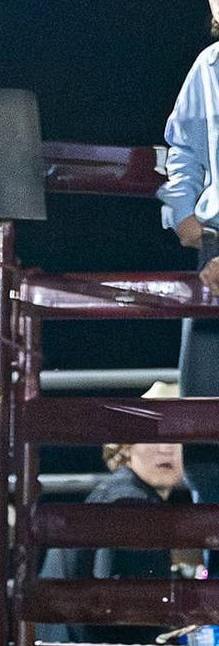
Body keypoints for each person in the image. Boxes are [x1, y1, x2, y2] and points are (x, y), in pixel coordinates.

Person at [38, 383, 214, 646]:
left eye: (178, 437)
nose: (166, 447)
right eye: (153, 435)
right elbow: (123, 610)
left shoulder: (117, 494)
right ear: (126, 446)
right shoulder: (131, 503)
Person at [161, 1, 219, 520]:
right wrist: (185, 219)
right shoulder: (209, 66)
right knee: (203, 421)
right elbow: (182, 148)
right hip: (216, 249)